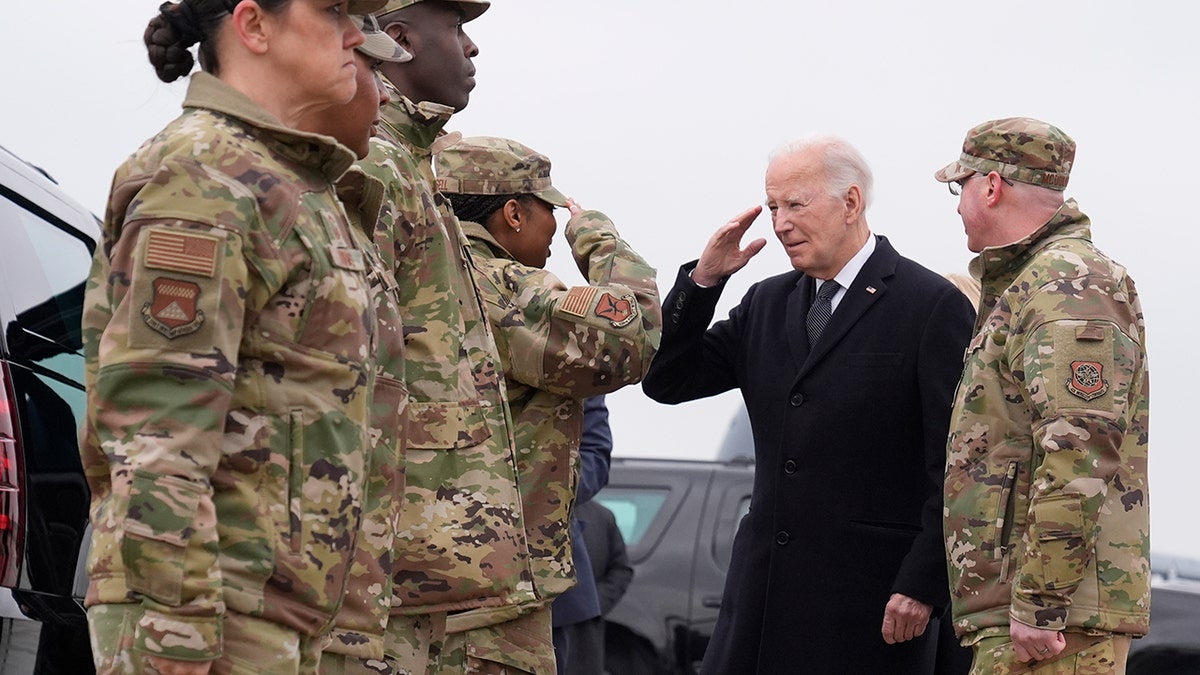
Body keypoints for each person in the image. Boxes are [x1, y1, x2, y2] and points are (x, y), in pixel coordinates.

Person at [81, 0, 388, 673]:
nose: (355, 35)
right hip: (209, 619)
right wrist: (173, 640)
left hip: (274, 615)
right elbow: (157, 437)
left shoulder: (294, 184)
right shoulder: (206, 175)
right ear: (254, 26)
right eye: (335, 11)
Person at [642, 135, 975, 674]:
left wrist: (923, 583)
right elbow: (668, 381)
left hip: (871, 607)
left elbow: (958, 466)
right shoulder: (767, 302)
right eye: (773, 206)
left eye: (795, 204)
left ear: (850, 203)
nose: (779, 223)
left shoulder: (930, 305)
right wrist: (704, 282)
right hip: (762, 601)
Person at [355, 2, 537, 673]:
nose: (472, 48)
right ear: (397, 39)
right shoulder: (375, 164)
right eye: (457, 30)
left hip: (420, 566)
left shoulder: (410, 164)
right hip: (380, 571)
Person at [435, 136, 660, 672]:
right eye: (549, 211)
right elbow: (633, 339)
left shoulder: (412, 273)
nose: (556, 229)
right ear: (512, 212)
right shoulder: (503, 288)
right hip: (489, 579)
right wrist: (598, 238)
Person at [936, 117, 1151, 674]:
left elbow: (1078, 452)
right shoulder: (1033, 282)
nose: (958, 207)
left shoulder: (1065, 285)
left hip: (1052, 625)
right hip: (1033, 617)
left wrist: (1041, 601)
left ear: (990, 186)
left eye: (959, 188)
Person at [294, 15, 413, 672]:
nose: (386, 96)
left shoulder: (340, 209)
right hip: (266, 614)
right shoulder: (223, 190)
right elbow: (163, 446)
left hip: (340, 607)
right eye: (369, 68)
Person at [551, 397, 621, 674]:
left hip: (556, 597)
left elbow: (595, 453)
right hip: (436, 571)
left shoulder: (574, 360)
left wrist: (539, 492)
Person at [562, 498, 633, 675]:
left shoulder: (602, 516)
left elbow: (621, 569)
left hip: (584, 639)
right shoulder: (532, 510)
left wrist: (593, 603)